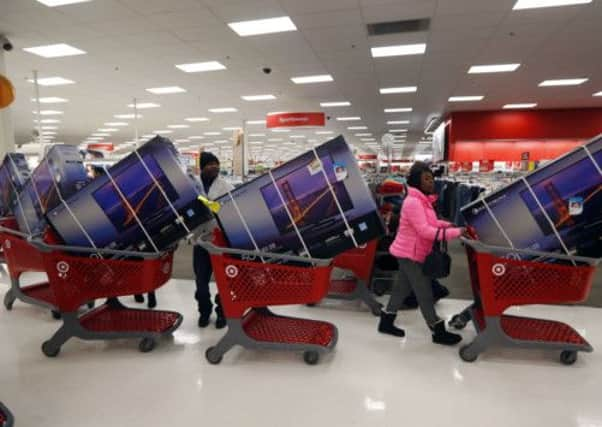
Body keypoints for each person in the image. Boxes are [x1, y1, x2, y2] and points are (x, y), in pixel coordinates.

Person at [378, 161, 465, 346]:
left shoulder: (422, 201)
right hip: (410, 254)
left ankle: (386, 322)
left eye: (431, 178)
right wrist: (456, 233)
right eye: (426, 178)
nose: (431, 182)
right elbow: (425, 231)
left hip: (410, 252)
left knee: (402, 289)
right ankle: (437, 331)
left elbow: (431, 223)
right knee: (424, 292)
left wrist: (448, 225)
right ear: (417, 180)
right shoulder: (413, 203)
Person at [193, 151, 234, 328]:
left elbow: (232, 209)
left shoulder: (225, 186)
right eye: (210, 164)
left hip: (220, 241)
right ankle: (204, 311)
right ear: (202, 167)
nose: (214, 167)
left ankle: (222, 313)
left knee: (223, 281)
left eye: (216, 163)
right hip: (200, 241)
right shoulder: (193, 185)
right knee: (201, 281)